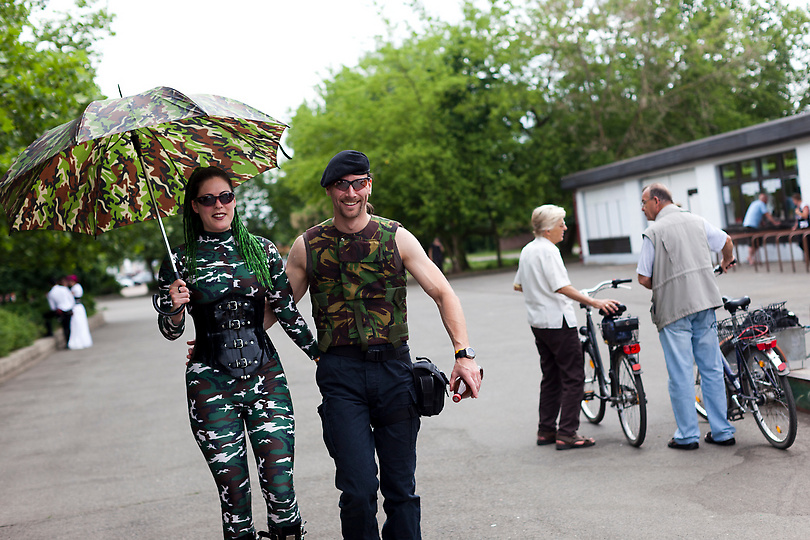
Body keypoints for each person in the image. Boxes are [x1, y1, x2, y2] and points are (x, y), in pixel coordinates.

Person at [283, 150, 482, 539]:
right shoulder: (308, 245)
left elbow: (443, 292)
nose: (351, 192)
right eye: (342, 185)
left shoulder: (396, 236)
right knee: (357, 491)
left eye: (359, 183)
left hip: (395, 372)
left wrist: (464, 356)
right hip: (341, 376)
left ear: (369, 185)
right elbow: (277, 307)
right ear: (330, 190)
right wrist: (218, 338)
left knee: (401, 490)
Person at [157, 166, 318, 540]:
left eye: (225, 196)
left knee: (281, 488)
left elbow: (286, 310)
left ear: (235, 199)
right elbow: (170, 332)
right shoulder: (179, 261)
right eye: (207, 199)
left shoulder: (260, 250)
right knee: (234, 495)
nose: (219, 205)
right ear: (194, 207)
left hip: (266, 378)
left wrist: (319, 354)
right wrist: (176, 305)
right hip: (210, 386)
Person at [637, 183, 737, 450]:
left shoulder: (653, 232)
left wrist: (665, 282)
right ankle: (723, 431)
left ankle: (687, 435)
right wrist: (726, 261)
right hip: (705, 302)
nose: (643, 208)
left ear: (656, 201)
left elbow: (644, 278)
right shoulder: (697, 220)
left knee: (680, 373)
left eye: (644, 202)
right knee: (712, 368)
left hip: (673, 311)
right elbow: (726, 241)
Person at [513, 205, 619, 450]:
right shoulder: (549, 251)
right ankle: (568, 432)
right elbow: (560, 286)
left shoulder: (528, 250)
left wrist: (537, 290)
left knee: (551, 376)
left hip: (538, 322)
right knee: (573, 377)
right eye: (561, 224)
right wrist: (594, 300)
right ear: (549, 228)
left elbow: (518, 285)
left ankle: (546, 430)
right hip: (558, 321)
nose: (565, 228)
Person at [742, 191, 779, 264]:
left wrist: (762, 222)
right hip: (751, 225)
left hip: (749, 224)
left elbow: (757, 214)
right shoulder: (761, 204)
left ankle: (750, 257)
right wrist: (774, 222)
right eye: (767, 199)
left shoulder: (755, 203)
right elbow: (767, 214)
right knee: (753, 242)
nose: (767, 201)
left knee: (756, 241)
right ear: (764, 199)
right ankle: (750, 258)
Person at [46, 276, 75, 348]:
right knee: (68, 326)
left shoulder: (51, 293)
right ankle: (69, 341)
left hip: (61, 311)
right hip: (69, 309)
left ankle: (50, 332)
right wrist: (71, 307)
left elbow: (52, 307)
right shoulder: (64, 289)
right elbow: (71, 299)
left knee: (65, 327)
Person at [66, 275, 93, 350]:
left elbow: (69, 296)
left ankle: (80, 341)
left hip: (76, 308)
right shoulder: (76, 287)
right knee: (77, 324)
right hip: (77, 307)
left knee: (78, 324)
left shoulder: (76, 287)